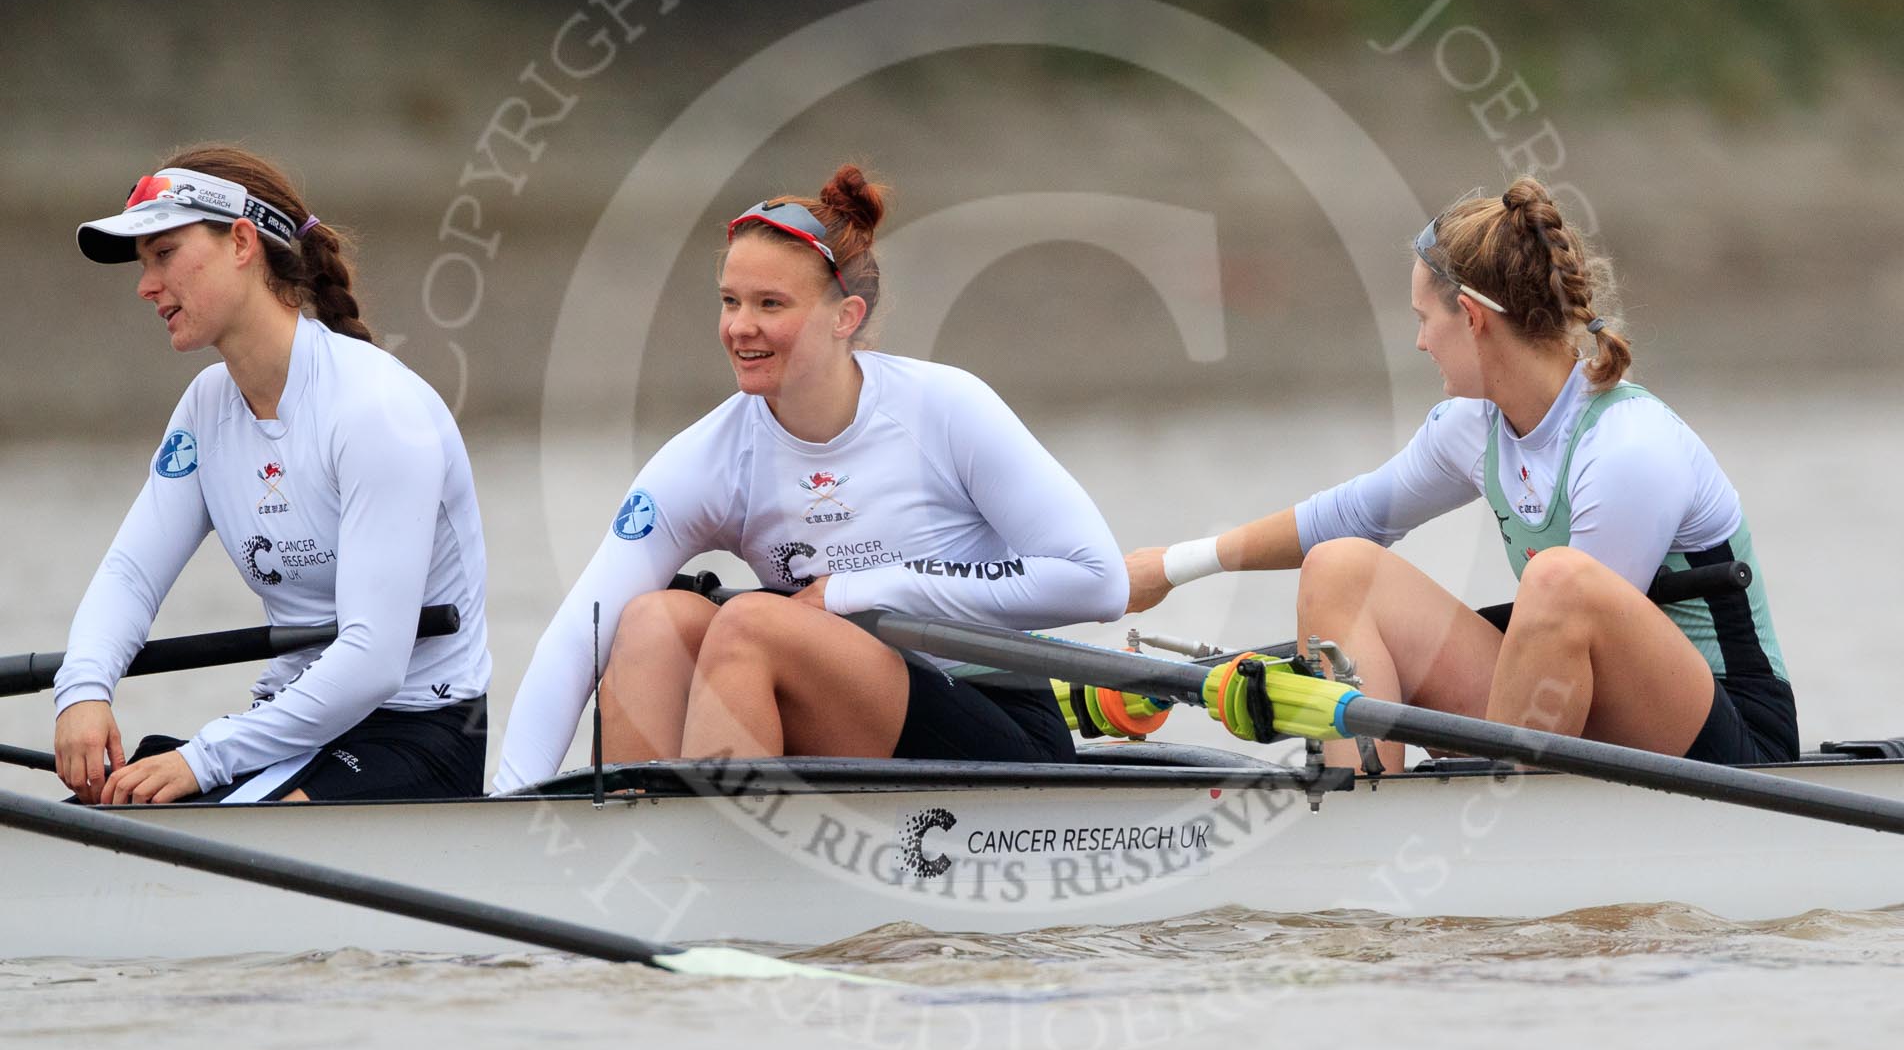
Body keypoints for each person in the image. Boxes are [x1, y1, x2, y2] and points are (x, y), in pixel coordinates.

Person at [1126, 177, 1795, 772]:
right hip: (1573, 716)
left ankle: (1483, 818)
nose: (1419, 342)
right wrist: (1172, 566)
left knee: (1558, 582)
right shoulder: (1471, 426)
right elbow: (1348, 515)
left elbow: (1577, 649)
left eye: (1424, 320)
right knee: (1341, 568)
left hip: (1731, 742)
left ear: (1471, 318)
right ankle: (1362, 801)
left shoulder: (1628, 450)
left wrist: (1469, 735)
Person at [494, 164, 1125, 791]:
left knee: (749, 628)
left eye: (771, 304)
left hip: (1001, 725)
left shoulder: (946, 409)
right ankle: (642, 850)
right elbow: (580, 633)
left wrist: (857, 591)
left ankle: (720, 859)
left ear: (845, 316)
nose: (741, 327)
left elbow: (1097, 582)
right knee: (654, 622)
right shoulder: (709, 457)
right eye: (730, 301)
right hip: (837, 722)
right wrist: (506, 803)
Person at [52, 145, 491, 804]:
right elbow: (130, 575)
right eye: (143, 266)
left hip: (419, 730)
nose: (146, 286)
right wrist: (83, 688)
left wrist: (204, 759)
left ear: (240, 242)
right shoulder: (206, 409)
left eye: (164, 255)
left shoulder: (377, 409)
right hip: (292, 726)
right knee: (114, 804)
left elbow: (372, 661)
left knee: (200, 807)